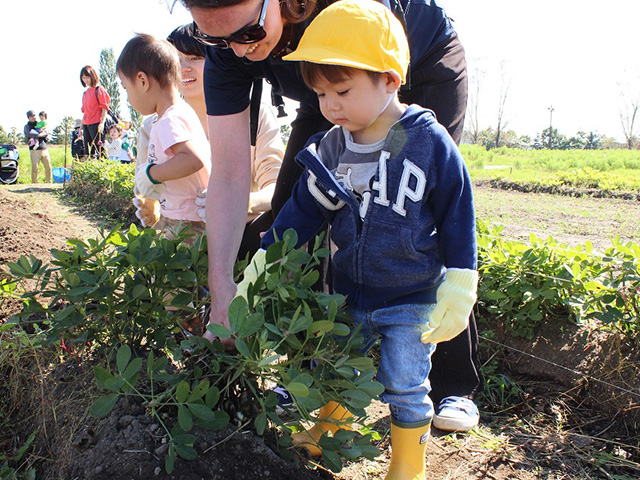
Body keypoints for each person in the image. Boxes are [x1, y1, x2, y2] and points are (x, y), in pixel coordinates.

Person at [181, 0, 481, 430]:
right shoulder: (230, 53)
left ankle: (451, 385)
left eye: (247, 33)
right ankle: (314, 373)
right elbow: (228, 173)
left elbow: (444, 199)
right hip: (332, 91)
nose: (237, 50)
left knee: (408, 212)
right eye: (216, 38)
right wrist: (224, 287)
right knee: (296, 205)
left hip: (405, 62)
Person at [117, 33, 211, 241]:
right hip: (183, 217)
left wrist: (153, 174)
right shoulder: (173, 115)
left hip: (188, 222)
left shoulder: (171, 119)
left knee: (174, 269)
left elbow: (192, 159)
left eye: (126, 88)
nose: (128, 98)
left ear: (142, 81)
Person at [80, 65, 111, 159]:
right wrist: (81, 127)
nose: (86, 80)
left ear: (92, 76)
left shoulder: (99, 90)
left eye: (87, 77)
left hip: (96, 123)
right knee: (88, 151)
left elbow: (105, 107)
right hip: (86, 124)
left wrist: (102, 123)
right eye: (84, 78)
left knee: (99, 150)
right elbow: (85, 111)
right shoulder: (85, 93)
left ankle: (103, 170)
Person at [23, 110, 52, 183]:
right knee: (35, 168)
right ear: (28, 117)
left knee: (48, 167)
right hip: (34, 150)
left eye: (34, 116)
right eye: (32, 116)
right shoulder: (27, 126)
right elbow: (28, 134)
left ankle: (49, 182)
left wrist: (43, 134)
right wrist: (38, 135)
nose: (34, 117)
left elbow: (46, 133)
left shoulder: (40, 124)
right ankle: (34, 183)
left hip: (44, 148)